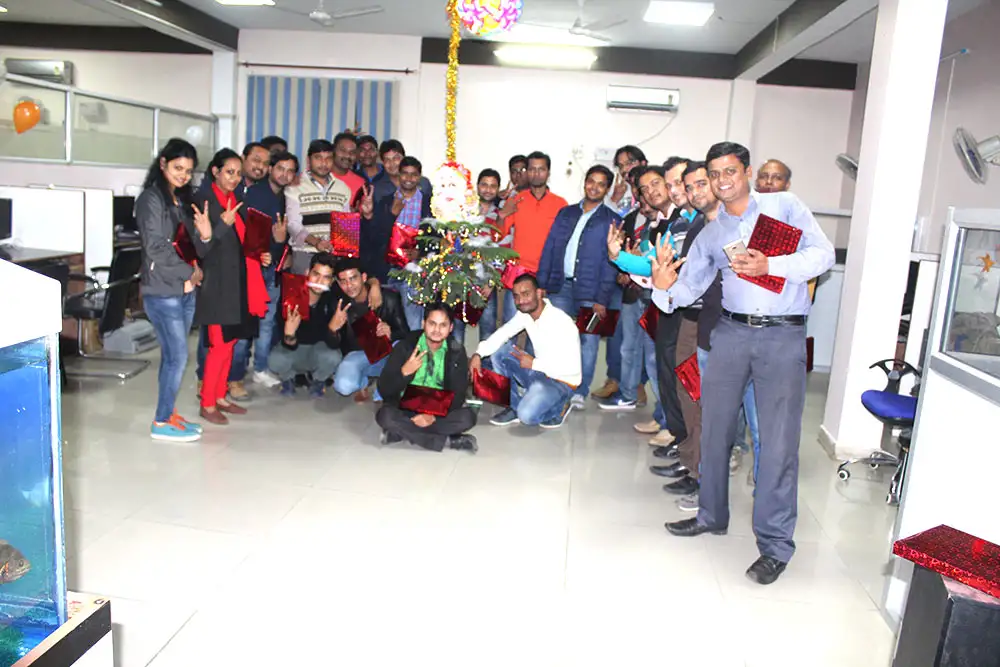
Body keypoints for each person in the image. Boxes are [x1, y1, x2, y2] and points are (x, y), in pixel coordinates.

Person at [653, 142, 834, 585]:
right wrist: (661, 286)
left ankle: (774, 546)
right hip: (731, 334)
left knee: (776, 442)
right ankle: (711, 515)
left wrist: (772, 263)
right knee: (714, 430)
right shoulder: (712, 233)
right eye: (714, 173)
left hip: (781, 336)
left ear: (747, 171)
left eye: (730, 171)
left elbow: (823, 256)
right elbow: (688, 288)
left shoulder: (784, 207)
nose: (722, 180)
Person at [190, 149, 271, 425]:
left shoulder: (235, 200)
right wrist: (222, 225)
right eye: (229, 172)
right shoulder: (203, 201)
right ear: (215, 171)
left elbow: (241, 243)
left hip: (238, 283)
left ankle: (220, 395)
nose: (234, 178)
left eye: (238, 173)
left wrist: (259, 254)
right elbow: (201, 250)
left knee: (231, 343)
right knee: (219, 345)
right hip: (216, 285)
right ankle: (207, 403)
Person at [536, 164, 621, 410]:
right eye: (591, 181)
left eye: (601, 184)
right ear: (585, 182)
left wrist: (602, 299)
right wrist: (542, 283)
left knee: (588, 341)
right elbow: (550, 246)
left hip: (592, 293)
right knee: (557, 338)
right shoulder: (566, 213)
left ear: (607, 189)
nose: (594, 187)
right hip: (561, 287)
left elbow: (611, 262)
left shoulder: (613, 220)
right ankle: (556, 385)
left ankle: (580, 391)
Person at [136, 138, 203, 443]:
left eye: (188, 171)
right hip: (163, 291)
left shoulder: (179, 199)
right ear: (162, 163)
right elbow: (156, 247)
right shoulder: (151, 199)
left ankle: (168, 412)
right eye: (178, 168)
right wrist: (189, 272)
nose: (183, 175)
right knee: (177, 357)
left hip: (184, 289)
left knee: (172, 357)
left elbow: (185, 242)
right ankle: (161, 421)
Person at [471, 274, 581, 429]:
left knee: (527, 416)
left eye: (526, 294)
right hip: (539, 372)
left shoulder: (562, 322)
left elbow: (571, 369)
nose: (521, 301)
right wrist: (478, 354)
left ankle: (560, 406)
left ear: (539, 293)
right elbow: (503, 333)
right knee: (499, 352)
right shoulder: (525, 315)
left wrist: (534, 363)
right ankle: (514, 407)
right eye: (516, 296)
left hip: (562, 382)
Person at [375, 303, 478, 453]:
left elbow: (458, 395)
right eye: (432, 323)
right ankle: (448, 441)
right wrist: (404, 372)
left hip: (439, 407)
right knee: (385, 415)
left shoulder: (457, 351)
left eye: (443, 325)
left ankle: (401, 433)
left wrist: (433, 417)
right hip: (407, 406)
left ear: (450, 328)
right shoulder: (405, 347)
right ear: (423, 324)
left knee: (468, 417)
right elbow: (384, 389)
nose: (437, 330)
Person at [240, 150, 297, 388]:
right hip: (251, 268)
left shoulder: (288, 197)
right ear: (271, 169)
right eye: (280, 168)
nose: (285, 174)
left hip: (274, 269)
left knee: (267, 322)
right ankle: (235, 372)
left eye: (290, 171)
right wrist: (277, 242)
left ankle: (260, 368)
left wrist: (285, 249)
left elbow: (286, 236)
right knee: (245, 323)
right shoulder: (254, 194)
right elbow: (248, 237)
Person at [359, 156, 432, 330]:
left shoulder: (429, 204)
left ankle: (414, 343)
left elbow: (435, 237)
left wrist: (420, 252)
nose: (409, 178)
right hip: (387, 268)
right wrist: (391, 214)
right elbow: (374, 238)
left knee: (414, 322)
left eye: (414, 174)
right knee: (382, 321)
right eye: (405, 173)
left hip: (415, 269)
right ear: (399, 175)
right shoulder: (385, 201)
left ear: (419, 177)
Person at [498, 151, 568, 321]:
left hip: (547, 277)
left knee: (546, 329)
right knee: (511, 326)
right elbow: (498, 235)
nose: (536, 173)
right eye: (532, 169)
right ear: (527, 172)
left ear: (548, 173)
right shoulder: (516, 200)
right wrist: (503, 214)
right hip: (519, 275)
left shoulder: (560, 204)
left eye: (541, 169)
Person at [327, 258, 409, 401]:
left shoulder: (388, 298)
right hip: (359, 354)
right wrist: (332, 330)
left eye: (353, 278)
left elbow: (406, 333)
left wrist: (390, 333)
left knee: (402, 349)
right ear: (339, 284)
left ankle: (383, 385)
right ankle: (364, 379)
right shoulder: (338, 303)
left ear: (364, 277)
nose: (349, 286)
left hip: (387, 352)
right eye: (343, 281)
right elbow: (334, 345)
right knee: (343, 386)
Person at [269, 253, 344, 398]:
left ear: (331, 281)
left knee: (334, 357)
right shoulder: (290, 296)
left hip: (318, 351)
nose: (320, 281)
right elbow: (286, 343)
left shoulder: (333, 300)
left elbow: (333, 344)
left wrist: (332, 330)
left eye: (326, 277)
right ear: (307, 273)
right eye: (316, 274)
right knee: (275, 360)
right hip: (294, 350)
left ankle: (318, 380)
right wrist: (289, 335)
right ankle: (289, 378)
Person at [285, 139, 352, 271]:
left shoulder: (343, 188)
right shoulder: (294, 187)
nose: (324, 163)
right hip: (305, 254)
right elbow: (293, 225)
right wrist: (316, 242)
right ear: (308, 160)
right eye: (318, 158)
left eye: (328, 158)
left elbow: (345, 227)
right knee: (304, 285)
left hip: (334, 256)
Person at [476, 168, 506, 340]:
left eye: (493, 186)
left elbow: (503, 251)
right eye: (484, 185)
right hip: (461, 279)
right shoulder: (465, 212)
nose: (488, 189)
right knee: (455, 331)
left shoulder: (500, 216)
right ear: (477, 186)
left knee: (488, 332)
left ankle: (483, 360)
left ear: (498, 189)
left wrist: (491, 282)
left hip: (487, 282)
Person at [372, 139, 434, 204]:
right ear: (382, 162)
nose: (392, 163)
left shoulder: (423, 183)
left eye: (396, 158)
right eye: (387, 160)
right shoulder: (377, 188)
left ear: (404, 158)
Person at [331, 132, 365, 202]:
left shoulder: (360, 184)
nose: (347, 155)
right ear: (333, 150)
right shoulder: (316, 177)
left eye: (352, 152)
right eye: (343, 150)